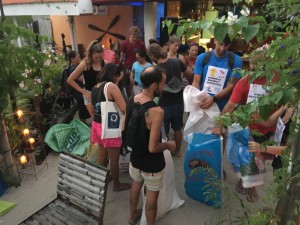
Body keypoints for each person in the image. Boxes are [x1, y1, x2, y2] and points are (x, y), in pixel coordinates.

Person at [126, 66, 176, 225]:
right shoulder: (156, 111)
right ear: (154, 86)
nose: (164, 86)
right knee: (152, 199)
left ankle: (132, 216)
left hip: (135, 157)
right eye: (162, 83)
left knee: (136, 184)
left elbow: (125, 127)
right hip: (151, 163)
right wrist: (168, 144)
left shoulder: (133, 99)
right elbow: (153, 147)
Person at [90, 63, 130, 192]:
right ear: (115, 75)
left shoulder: (95, 87)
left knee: (102, 156)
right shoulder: (111, 86)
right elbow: (124, 108)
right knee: (114, 159)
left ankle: (101, 180)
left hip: (97, 124)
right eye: (118, 76)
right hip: (110, 126)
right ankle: (117, 184)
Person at [147, 43, 193, 157]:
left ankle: (165, 153)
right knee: (178, 129)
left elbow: (154, 90)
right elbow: (190, 74)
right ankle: (177, 151)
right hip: (178, 101)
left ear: (152, 55)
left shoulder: (156, 70)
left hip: (164, 103)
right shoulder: (176, 62)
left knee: (164, 130)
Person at [192, 35, 243, 112]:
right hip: (203, 104)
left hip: (223, 108)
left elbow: (231, 85)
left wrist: (213, 98)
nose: (222, 49)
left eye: (226, 45)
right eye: (221, 44)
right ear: (215, 40)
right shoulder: (202, 58)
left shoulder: (236, 60)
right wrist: (196, 99)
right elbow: (196, 82)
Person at [67, 41, 106, 117]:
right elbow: (70, 80)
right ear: (91, 54)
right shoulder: (85, 64)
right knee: (96, 118)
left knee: (104, 119)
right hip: (89, 94)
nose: (98, 59)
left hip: (102, 94)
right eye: (96, 57)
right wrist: (83, 91)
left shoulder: (104, 63)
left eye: (100, 57)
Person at [120, 26, 146, 98]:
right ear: (130, 35)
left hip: (138, 66)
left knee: (136, 83)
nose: (135, 39)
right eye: (133, 37)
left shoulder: (141, 44)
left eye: (137, 37)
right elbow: (122, 55)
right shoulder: (125, 43)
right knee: (127, 84)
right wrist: (120, 64)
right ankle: (129, 98)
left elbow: (144, 55)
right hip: (128, 66)